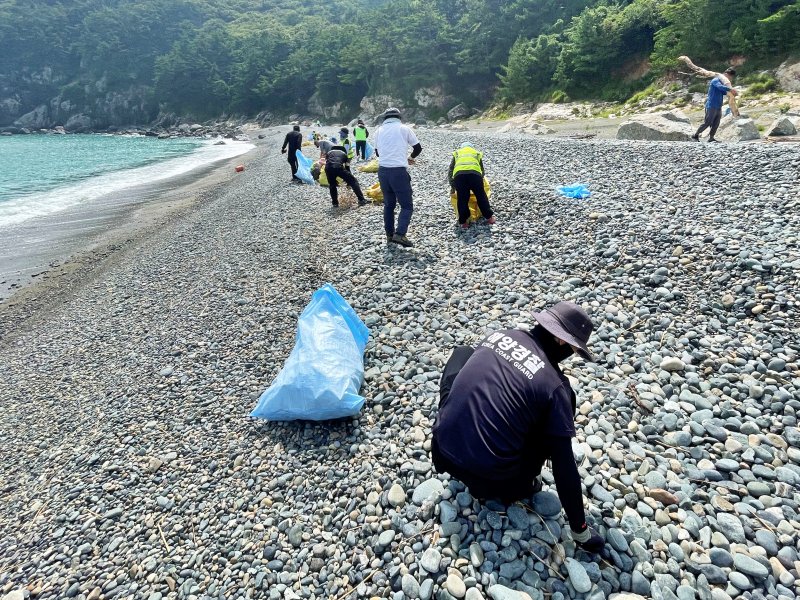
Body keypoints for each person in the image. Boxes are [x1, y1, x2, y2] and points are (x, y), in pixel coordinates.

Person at [431, 301, 605, 553]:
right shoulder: (555, 386)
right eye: (573, 350)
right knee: (561, 407)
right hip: (490, 482)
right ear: (560, 342)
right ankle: (520, 484)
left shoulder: (500, 335)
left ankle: (454, 424)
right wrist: (580, 532)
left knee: (462, 354)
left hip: (442, 449)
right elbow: (563, 465)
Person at [373, 107, 422, 247]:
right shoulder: (404, 128)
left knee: (389, 205)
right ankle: (400, 235)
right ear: (399, 117)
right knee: (406, 206)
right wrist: (409, 158)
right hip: (398, 172)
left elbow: (377, 153)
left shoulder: (378, 131)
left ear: (385, 118)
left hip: (383, 171)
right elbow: (418, 148)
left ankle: (389, 235)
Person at [448, 141, 496, 229]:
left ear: (462, 147)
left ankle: (463, 222)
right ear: (472, 147)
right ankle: (489, 218)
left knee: (462, 199)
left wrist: (453, 186)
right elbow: (482, 170)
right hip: (475, 175)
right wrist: (479, 183)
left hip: (459, 176)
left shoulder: (457, 153)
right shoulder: (476, 153)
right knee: (481, 196)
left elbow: (450, 171)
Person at [691, 66, 737, 143]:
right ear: (726, 74)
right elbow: (720, 87)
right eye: (730, 77)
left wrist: (731, 93)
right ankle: (695, 135)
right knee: (708, 122)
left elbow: (723, 92)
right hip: (711, 105)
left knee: (716, 123)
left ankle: (711, 138)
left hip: (718, 105)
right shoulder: (716, 80)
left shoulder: (723, 83)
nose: (730, 79)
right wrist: (730, 89)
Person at [324, 143, 367, 207]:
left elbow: (328, 162)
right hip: (339, 167)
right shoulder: (344, 154)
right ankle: (361, 199)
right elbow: (347, 168)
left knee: (332, 185)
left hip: (328, 169)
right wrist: (348, 180)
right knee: (353, 181)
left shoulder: (329, 152)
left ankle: (335, 203)